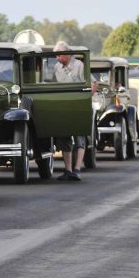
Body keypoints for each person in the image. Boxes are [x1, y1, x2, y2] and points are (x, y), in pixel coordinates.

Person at [53, 41, 86, 180]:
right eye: (56, 56)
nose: (57, 58)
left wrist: (85, 100)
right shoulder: (56, 67)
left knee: (79, 136)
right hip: (63, 105)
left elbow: (91, 83)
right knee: (64, 137)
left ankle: (77, 169)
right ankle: (68, 170)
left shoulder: (79, 65)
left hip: (78, 104)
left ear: (66, 54)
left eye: (59, 55)